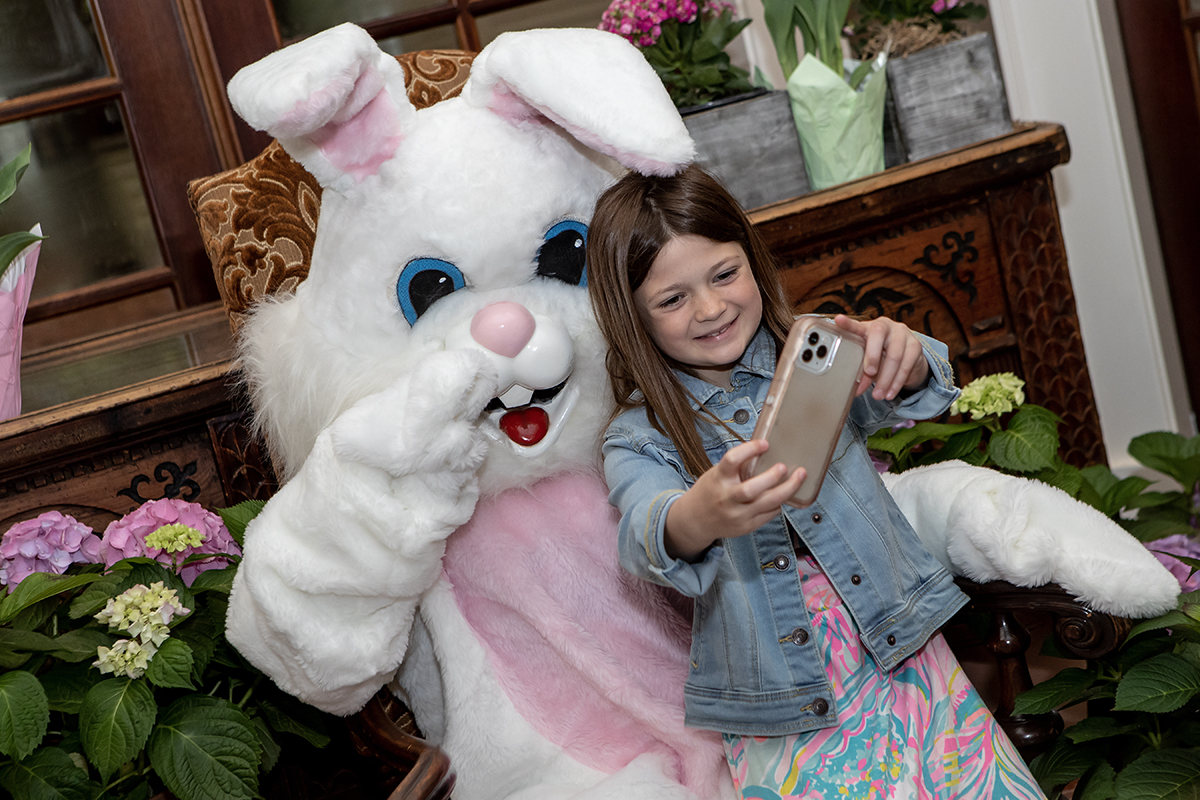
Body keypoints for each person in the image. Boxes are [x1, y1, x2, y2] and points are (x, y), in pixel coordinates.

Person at [586, 164, 1044, 799]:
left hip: (903, 649)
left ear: (753, 259)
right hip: (781, 701)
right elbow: (645, 530)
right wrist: (702, 514)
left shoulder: (813, 357)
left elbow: (924, 389)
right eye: (672, 298)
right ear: (631, 316)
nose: (712, 308)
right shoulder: (639, 436)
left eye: (725, 274)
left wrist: (903, 355)